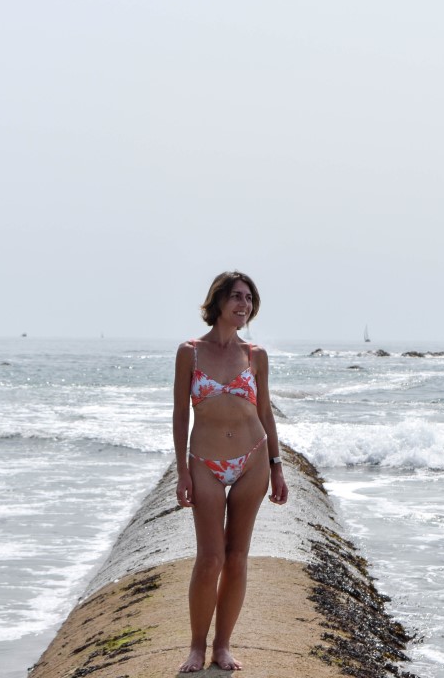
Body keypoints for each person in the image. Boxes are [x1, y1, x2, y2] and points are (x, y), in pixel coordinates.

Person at [173, 270, 289, 672]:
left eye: (250, 299)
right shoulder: (190, 351)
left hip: (252, 459)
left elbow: (265, 412)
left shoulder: (255, 355)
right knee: (210, 558)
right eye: (237, 297)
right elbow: (179, 413)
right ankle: (196, 646)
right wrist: (182, 472)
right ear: (218, 301)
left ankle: (223, 647)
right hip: (203, 461)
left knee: (237, 557)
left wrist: (277, 466)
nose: (245, 305)